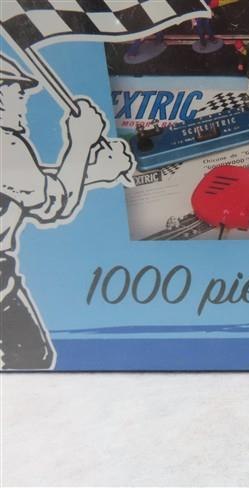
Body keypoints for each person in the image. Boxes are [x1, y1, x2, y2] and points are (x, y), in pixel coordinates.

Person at [0, 53, 134, 369]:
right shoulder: (6, 145)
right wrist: (82, 142)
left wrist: (97, 170)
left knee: (30, 356)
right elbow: (53, 204)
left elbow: (34, 186)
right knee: (31, 357)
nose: (24, 103)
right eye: (17, 93)